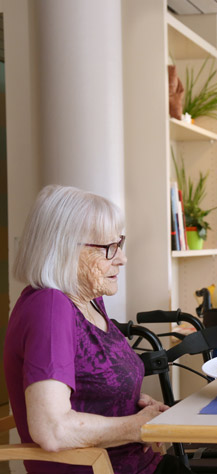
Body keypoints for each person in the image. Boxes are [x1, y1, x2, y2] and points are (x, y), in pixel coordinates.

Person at [4, 185, 190, 474]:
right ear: (64, 249)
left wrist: (137, 411)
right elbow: (51, 428)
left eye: (120, 243)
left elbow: (92, 387)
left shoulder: (88, 301)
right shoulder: (49, 307)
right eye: (108, 248)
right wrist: (133, 428)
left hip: (140, 463)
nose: (122, 258)